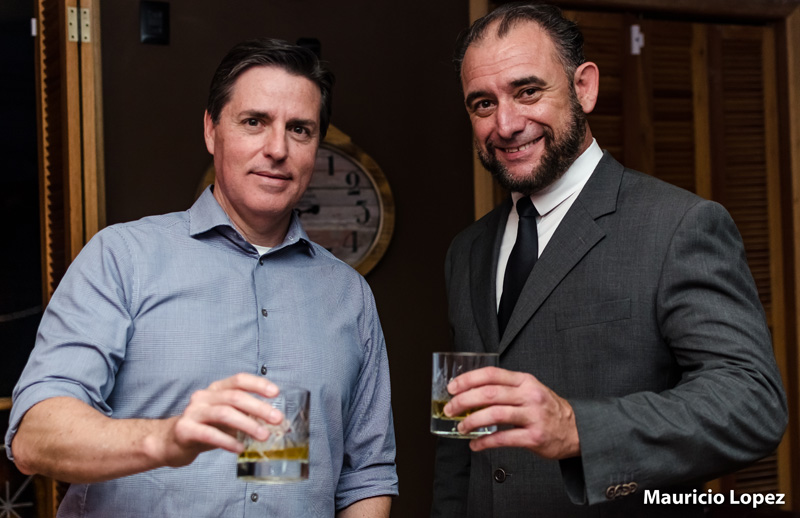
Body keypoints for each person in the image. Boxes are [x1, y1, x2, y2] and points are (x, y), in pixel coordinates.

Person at [6, 38, 397, 517]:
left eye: (299, 129)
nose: (277, 149)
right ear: (212, 131)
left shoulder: (349, 295)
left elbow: (366, 474)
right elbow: (35, 436)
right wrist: (166, 439)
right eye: (254, 122)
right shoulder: (123, 257)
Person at [431, 3, 787, 517]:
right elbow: (457, 432)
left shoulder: (678, 226)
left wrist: (579, 427)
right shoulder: (466, 251)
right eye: (483, 103)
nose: (505, 124)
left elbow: (752, 403)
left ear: (584, 88)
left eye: (528, 91)